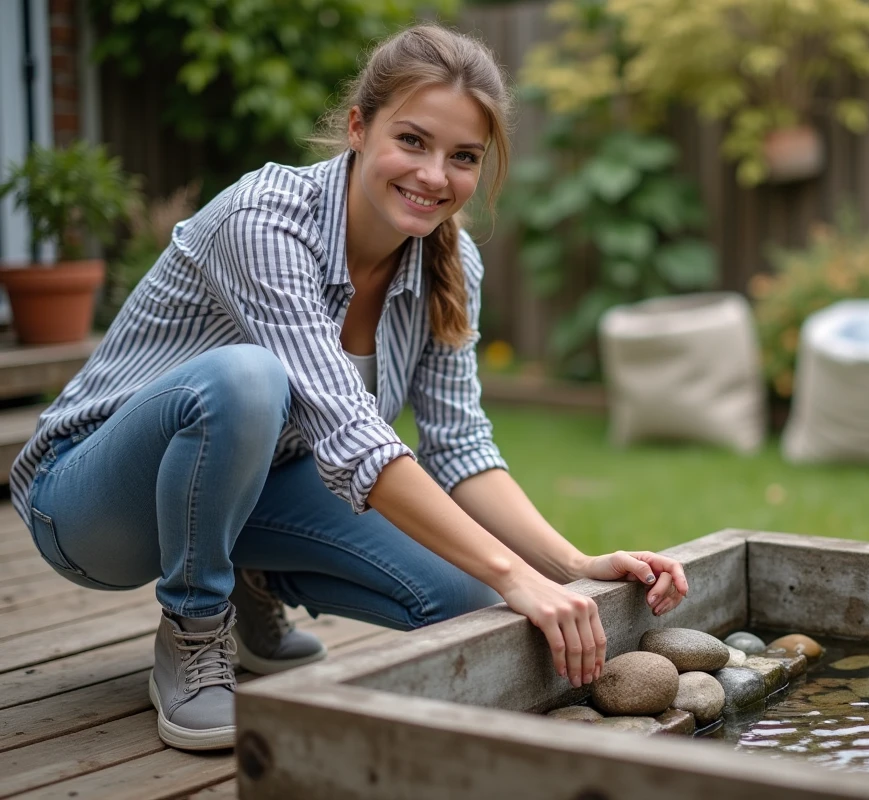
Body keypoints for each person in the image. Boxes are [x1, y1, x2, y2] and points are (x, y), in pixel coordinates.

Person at [9, 24, 689, 752]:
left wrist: (569, 565)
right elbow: (353, 434)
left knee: (471, 598)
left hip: (250, 486)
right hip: (87, 505)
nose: (435, 176)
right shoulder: (263, 220)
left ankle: (251, 582)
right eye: (414, 141)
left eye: (464, 157)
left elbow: (461, 449)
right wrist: (515, 571)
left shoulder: (448, 261)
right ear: (359, 128)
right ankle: (193, 633)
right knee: (245, 377)